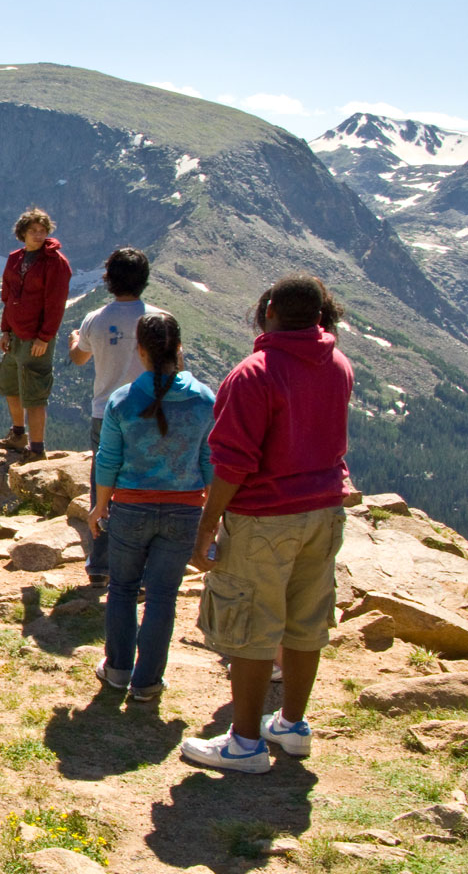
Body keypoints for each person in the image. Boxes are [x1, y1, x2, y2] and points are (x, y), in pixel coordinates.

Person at [179, 275, 353, 774]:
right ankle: (293, 724)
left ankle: (245, 742)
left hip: (264, 517)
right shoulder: (338, 363)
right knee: (306, 620)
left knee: (251, 625)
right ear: (321, 314)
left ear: (270, 309)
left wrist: (208, 524)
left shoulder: (255, 373)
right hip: (324, 510)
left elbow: (232, 462)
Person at [89, 313, 215, 702]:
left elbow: (108, 458)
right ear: (180, 350)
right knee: (163, 594)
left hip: (129, 508)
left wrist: (100, 506)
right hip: (184, 509)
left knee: (123, 589)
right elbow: (210, 457)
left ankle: (117, 669)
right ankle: (147, 683)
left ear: (139, 351)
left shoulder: (122, 400)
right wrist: (210, 505)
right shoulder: (204, 399)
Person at [69, 247, 168, 584]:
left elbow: (79, 358)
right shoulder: (160, 319)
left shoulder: (95, 318)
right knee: (147, 482)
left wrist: (74, 341)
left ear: (108, 279)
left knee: (104, 485)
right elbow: (176, 367)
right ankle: (141, 564)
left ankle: (101, 563)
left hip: (106, 411)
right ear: (145, 279)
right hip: (151, 410)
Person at [0, 207, 72, 463]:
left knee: (35, 394)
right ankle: (18, 435)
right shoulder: (15, 259)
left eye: (43, 231)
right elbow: (8, 297)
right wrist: (5, 330)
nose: (39, 236)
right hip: (16, 335)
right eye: (33, 231)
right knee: (11, 386)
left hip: (36, 339)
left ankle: (37, 450)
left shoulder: (55, 263)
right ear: (23, 234)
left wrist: (45, 337)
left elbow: (55, 303)